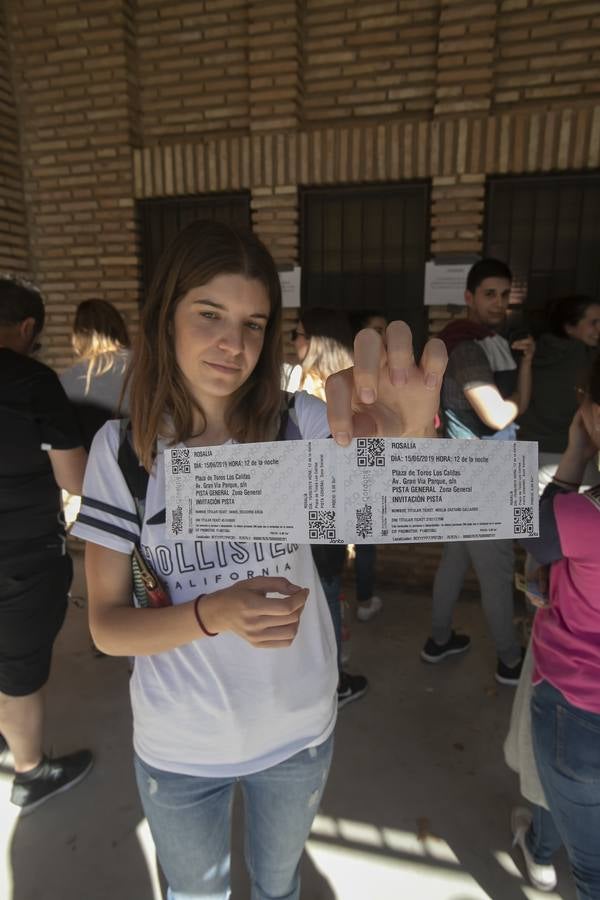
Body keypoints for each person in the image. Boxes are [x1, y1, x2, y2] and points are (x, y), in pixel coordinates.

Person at [71, 220, 447, 900]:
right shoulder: (123, 452)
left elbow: (393, 501)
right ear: (165, 318)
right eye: (209, 314)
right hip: (178, 747)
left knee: (279, 886)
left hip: (297, 732)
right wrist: (213, 614)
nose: (233, 344)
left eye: (253, 323)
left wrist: (408, 437)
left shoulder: (298, 424)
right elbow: (106, 624)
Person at [0, 276, 93, 814]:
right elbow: (74, 477)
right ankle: (30, 772)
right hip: (21, 553)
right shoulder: (32, 382)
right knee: (19, 669)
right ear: (28, 326)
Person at [510, 357, 600, 899]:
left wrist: (573, 455)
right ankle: (540, 846)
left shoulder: (584, 517)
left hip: (577, 706)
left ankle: (544, 852)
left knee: (592, 870)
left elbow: (536, 535)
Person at [421, 258, 535, 685]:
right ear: (469, 297)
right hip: (482, 475)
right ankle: (509, 661)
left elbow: (509, 409)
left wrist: (525, 366)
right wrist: (513, 408)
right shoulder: (466, 346)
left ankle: (438, 640)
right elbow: (497, 415)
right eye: (490, 293)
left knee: (455, 559)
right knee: (497, 570)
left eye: (505, 295)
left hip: (464, 471)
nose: (499, 303)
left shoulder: (490, 342)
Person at [292, 306, 368, 706]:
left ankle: (325, 679)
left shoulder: (306, 389)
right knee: (326, 597)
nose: (294, 342)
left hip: (309, 517)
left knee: (313, 596)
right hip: (320, 519)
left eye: (299, 334)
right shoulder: (340, 389)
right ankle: (332, 681)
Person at [517, 294, 600, 494]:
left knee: (537, 521)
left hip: (527, 454)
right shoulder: (588, 360)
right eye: (593, 322)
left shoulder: (529, 353)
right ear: (569, 327)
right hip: (571, 456)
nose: (599, 329)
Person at [60, 298, 131, 451]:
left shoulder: (71, 378)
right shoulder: (146, 368)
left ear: (79, 335)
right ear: (119, 327)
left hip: (93, 465)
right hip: (147, 462)